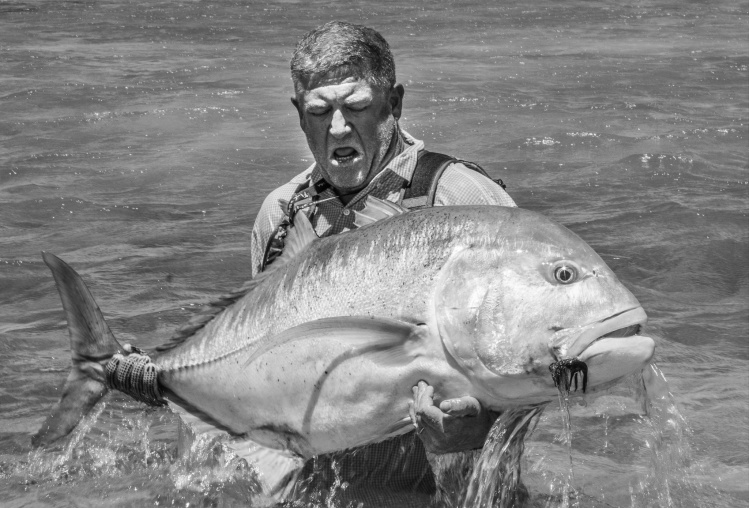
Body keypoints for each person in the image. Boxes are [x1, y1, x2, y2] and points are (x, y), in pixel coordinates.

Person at [249, 21, 517, 506]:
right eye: (318, 111)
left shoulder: (464, 199)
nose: (337, 128)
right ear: (298, 115)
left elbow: (544, 367)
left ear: (393, 103)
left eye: (356, 107)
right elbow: (260, 375)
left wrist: (482, 425)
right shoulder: (280, 218)